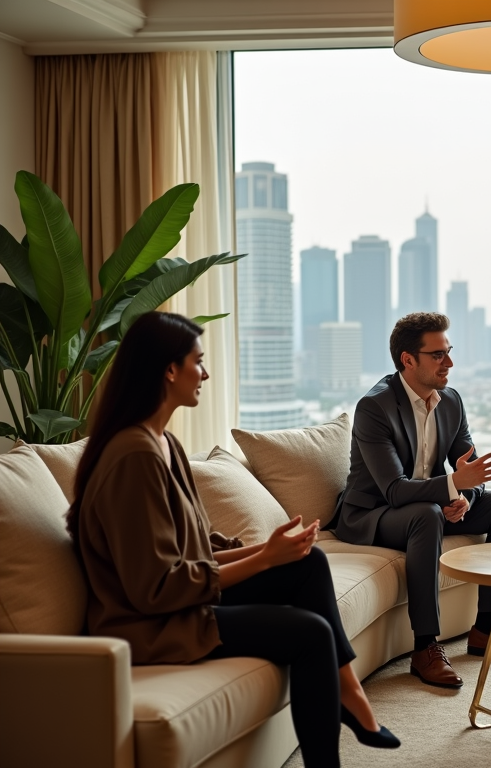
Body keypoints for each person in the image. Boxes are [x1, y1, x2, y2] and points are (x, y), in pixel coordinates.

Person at [66, 312, 398, 768]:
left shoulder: (163, 443)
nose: (204, 373)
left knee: (308, 564)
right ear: (169, 369)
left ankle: (347, 690)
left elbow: (198, 546)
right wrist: (264, 559)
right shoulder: (133, 457)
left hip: (179, 603)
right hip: (151, 625)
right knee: (310, 633)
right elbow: (157, 588)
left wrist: (274, 551)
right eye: (197, 362)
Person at [329, 312, 491, 689]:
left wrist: (463, 495)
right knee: (427, 515)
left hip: (428, 505)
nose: (449, 363)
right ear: (408, 360)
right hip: (374, 514)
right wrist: (451, 485)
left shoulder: (450, 401)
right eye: (438, 355)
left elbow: (471, 469)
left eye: (449, 352)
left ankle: (487, 630)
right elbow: (394, 490)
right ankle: (425, 647)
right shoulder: (375, 407)